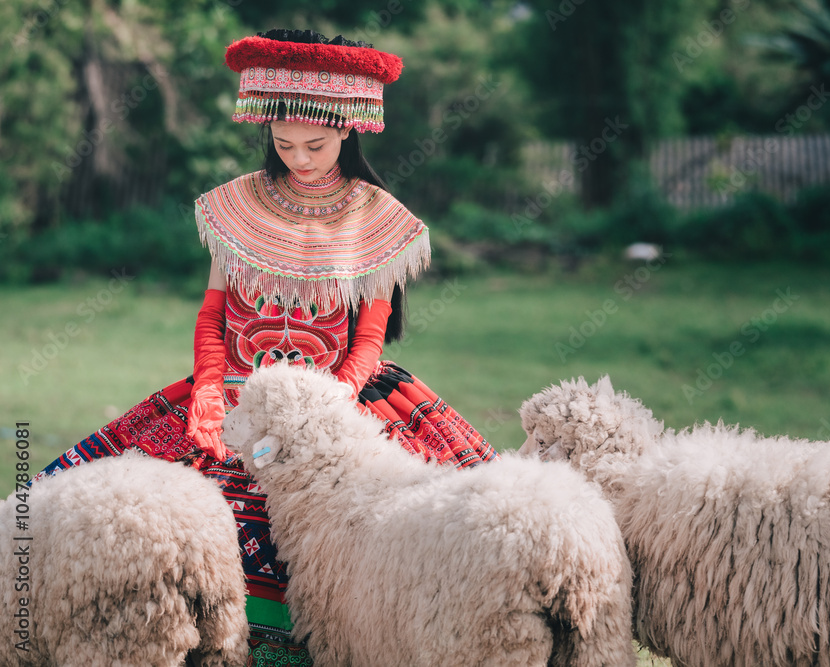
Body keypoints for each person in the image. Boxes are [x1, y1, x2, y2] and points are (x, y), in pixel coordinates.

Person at [32, 28, 499, 665]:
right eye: (284, 144)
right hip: (227, 394)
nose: (300, 158)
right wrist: (205, 391)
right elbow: (212, 317)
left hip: (339, 401)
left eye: (316, 144)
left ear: (349, 133)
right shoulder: (236, 207)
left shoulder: (379, 218)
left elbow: (367, 340)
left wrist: (328, 404)